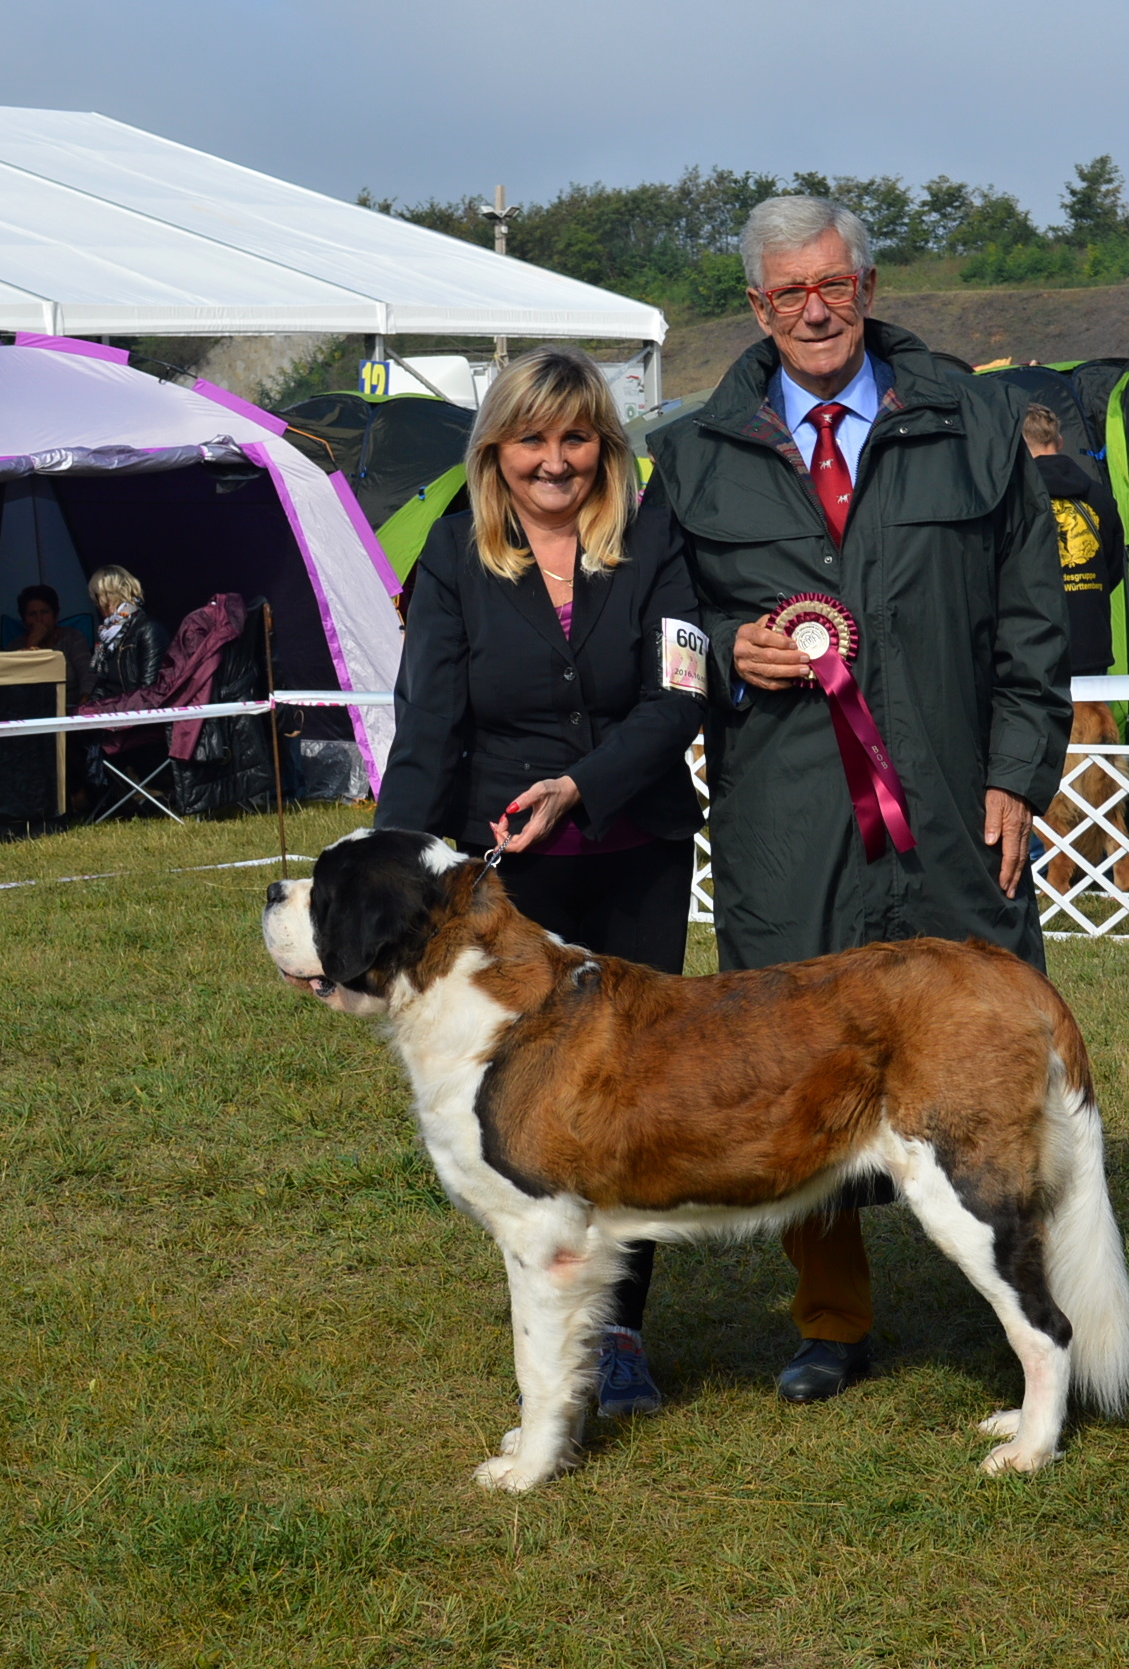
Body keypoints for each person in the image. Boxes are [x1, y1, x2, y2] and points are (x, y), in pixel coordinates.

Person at [645, 194, 1070, 1405]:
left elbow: (1033, 618)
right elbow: (662, 627)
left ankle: (1026, 1303)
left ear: (868, 288)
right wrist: (728, 651)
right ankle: (830, 1319)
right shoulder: (691, 451)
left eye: (833, 285)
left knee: (984, 1050)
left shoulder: (973, 420)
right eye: (788, 292)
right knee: (792, 1062)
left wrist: (1016, 773)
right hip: (786, 819)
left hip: (950, 804)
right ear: (756, 307)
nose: (814, 310)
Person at [374, 347, 706, 1421]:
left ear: (604, 447)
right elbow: (429, 722)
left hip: (638, 851)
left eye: (575, 438)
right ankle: (553, 1313)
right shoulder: (450, 556)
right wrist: (391, 861)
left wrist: (583, 785)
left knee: (631, 1099)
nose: (554, 461)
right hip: (510, 886)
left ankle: (621, 1332)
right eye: (531, 440)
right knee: (527, 1108)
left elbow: (677, 698)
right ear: (496, 452)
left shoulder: (655, 540)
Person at [1021, 403, 1125, 676]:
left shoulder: (1014, 499)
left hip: (1032, 647)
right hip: (1091, 641)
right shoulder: (1099, 495)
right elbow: (1113, 567)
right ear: (1060, 441)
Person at [5, 584, 94, 712]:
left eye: (44, 612)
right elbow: (14, 688)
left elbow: (88, 674)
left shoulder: (72, 638)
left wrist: (82, 706)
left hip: (72, 709)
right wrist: (31, 646)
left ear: (55, 615)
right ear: (24, 620)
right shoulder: (15, 647)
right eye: (32, 614)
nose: (39, 619)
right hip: (30, 712)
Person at [87, 566, 167, 701]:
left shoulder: (149, 630)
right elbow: (103, 685)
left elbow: (148, 691)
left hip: (134, 710)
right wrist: (87, 708)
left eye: (97, 597)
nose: (96, 604)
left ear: (108, 596)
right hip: (116, 709)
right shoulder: (108, 634)